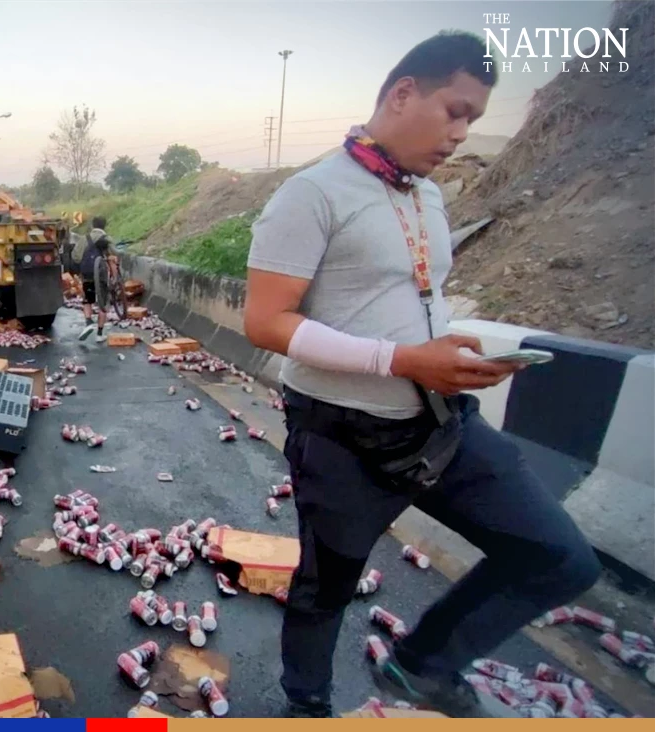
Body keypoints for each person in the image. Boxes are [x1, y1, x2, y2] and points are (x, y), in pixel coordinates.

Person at [243, 32, 599, 718]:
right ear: (403, 93)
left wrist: (444, 347)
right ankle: (306, 704)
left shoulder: (425, 197)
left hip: (441, 425)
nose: (462, 133)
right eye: (455, 110)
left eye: (473, 119)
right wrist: (402, 359)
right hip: (342, 437)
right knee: (327, 589)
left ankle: (422, 664)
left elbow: (406, 294)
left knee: (561, 558)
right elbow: (266, 322)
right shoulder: (311, 194)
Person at [78, 218, 116, 342]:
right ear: (104, 226)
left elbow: (76, 256)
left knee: (87, 300)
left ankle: (88, 323)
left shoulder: (84, 238)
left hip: (87, 273)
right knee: (102, 304)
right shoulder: (106, 239)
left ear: (92, 225)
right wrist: (114, 277)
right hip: (101, 275)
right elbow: (112, 258)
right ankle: (99, 334)